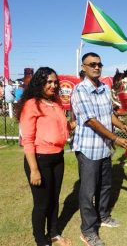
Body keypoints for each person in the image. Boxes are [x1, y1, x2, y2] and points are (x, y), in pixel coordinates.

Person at [71, 52, 127, 246]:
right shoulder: (80, 90)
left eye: (99, 64)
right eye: (92, 64)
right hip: (89, 149)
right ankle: (88, 231)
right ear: (84, 67)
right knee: (88, 192)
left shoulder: (105, 88)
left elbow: (108, 114)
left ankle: (103, 217)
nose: (97, 67)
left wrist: (122, 125)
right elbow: (91, 121)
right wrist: (116, 138)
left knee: (105, 186)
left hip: (105, 148)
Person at [17, 67, 74, 246]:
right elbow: (27, 139)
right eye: (48, 81)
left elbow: (62, 129)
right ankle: (41, 240)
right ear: (39, 83)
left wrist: (75, 123)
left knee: (54, 199)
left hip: (58, 157)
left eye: (55, 82)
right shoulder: (32, 104)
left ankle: (54, 233)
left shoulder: (56, 104)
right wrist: (34, 170)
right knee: (42, 203)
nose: (53, 85)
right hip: (40, 159)